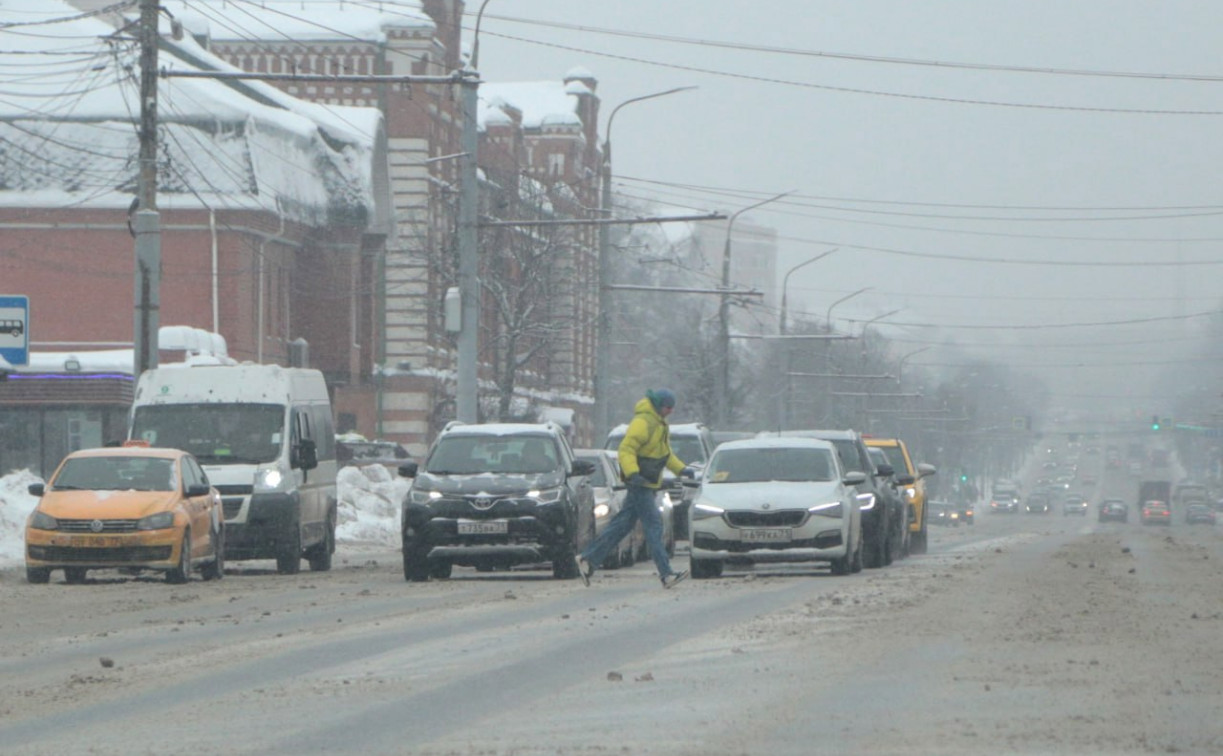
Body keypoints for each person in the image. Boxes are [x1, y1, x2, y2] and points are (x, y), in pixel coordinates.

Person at [575, 388, 691, 589]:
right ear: (658, 405)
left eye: (672, 408)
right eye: (667, 407)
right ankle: (666, 573)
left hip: (646, 483)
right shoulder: (643, 422)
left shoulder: (659, 424)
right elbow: (626, 449)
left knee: (622, 525)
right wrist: (632, 473)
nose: (670, 411)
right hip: (640, 484)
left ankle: (588, 559)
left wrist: (682, 469)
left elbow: (665, 454)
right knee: (654, 525)